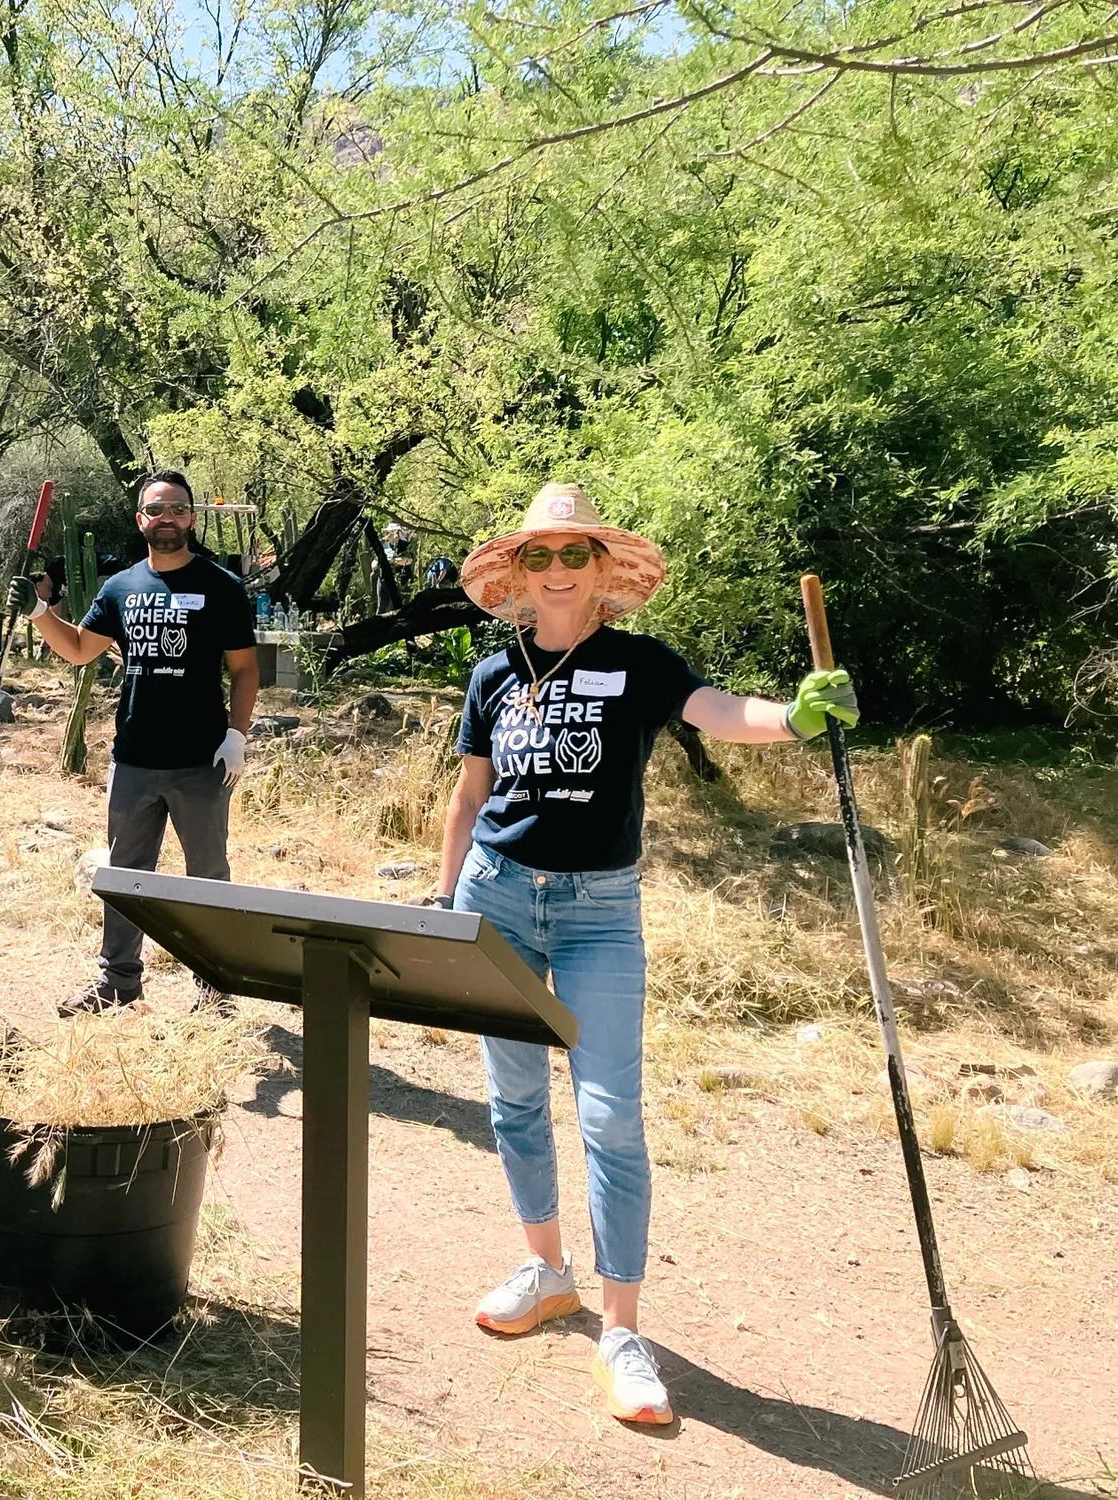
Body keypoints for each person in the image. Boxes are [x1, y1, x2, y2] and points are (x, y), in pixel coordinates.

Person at [427, 482, 858, 1426]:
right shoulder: (494, 673)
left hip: (597, 913)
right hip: (493, 895)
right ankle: (547, 1271)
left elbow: (718, 712)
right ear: (518, 573)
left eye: (571, 553)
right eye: (537, 556)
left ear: (601, 569)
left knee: (612, 1113)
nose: (554, 570)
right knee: (511, 1097)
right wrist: (443, 900)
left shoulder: (637, 664)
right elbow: (469, 798)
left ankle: (622, 1332)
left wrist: (795, 716)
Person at [10, 470, 259, 1015]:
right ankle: (119, 983)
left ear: (192, 518)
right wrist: (38, 614)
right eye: (155, 510)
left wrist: (238, 734)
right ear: (139, 519)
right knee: (125, 877)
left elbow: (244, 670)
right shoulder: (120, 587)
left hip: (202, 760)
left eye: (176, 509)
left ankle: (214, 989)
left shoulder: (222, 587)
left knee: (208, 878)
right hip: (135, 758)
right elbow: (78, 649)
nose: (165, 518)